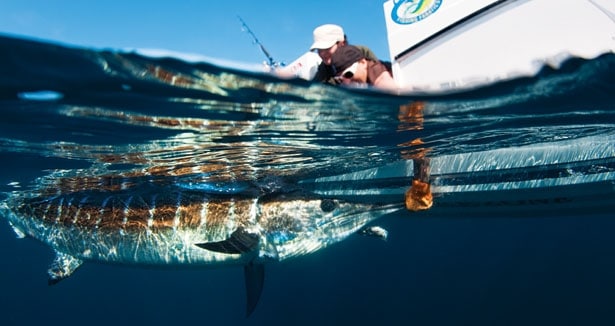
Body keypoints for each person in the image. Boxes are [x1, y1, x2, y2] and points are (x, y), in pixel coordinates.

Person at [274, 24, 379, 83]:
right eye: (319, 49)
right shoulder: (323, 69)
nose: (322, 53)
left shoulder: (363, 52)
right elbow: (312, 88)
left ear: (341, 43)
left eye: (326, 47)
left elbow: (379, 75)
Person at [330, 45, 399, 92]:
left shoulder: (376, 71)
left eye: (348, 74)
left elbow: (389, 89)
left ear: (363, 62)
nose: (346, 82)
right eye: (340, 79)